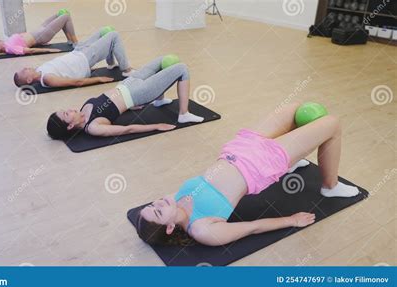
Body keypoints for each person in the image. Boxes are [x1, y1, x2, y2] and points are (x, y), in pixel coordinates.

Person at [135, 102, 360, 246]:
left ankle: (294, 159)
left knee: (295, 108)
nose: (158, 203)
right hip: (262, 165)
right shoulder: (203, 230)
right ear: (170, 227)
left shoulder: (174, 201)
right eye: (157, 211)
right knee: (332, 123)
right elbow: (253, 227)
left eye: (151, 205)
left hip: (238, 148)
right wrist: (291, 220)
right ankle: (330, 187)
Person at [46, 56, 205, 139]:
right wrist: (156, 126)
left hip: (128, 82)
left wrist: (128, 107)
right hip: (140, 92)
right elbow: (127, 129)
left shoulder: (82, 110)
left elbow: (111, 106)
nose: (69, 110)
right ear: (69, 126)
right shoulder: (93, 127)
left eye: (65, 110)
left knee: (164, 59)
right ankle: (184, 114)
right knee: (182, 68)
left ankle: (160, 100)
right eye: (66, 114)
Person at [13, 29, 133, 88]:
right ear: (29, 80)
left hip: (77, 51)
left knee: (103, 31)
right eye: (24, 71)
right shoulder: (47, 78)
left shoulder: (39, 70)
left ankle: (111, 63)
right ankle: (126, 70)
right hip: (84, 60)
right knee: (114, 35)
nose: (25, 68)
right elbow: (76, 82)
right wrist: (99, 79)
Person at [0, 13, 78, 55]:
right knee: (66, 17)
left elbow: (23, 38)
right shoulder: (10, 48)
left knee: (60, 14)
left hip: (40, 29)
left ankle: (70, 41)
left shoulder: (8, 42)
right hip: (42, 35)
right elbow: (29, 50)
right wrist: (49, 50)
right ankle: (76, 43)